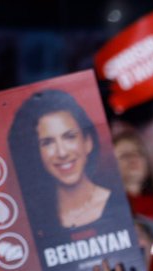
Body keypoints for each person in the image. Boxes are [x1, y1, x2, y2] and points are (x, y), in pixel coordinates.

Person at [8, 88, 127, 236]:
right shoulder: (33, 224)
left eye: (70, 137)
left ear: (88, 142)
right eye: (48, 143)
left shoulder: (119, 206)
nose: (62, 153)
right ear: (37, 153)